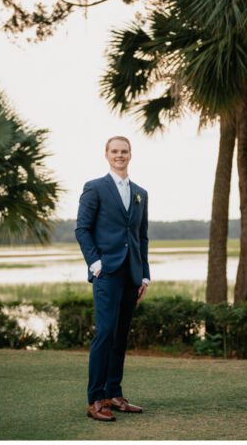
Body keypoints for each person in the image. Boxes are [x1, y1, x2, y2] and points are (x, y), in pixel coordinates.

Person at [75, 136, 150, 422]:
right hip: (106, 273)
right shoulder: (94, 188)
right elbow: (82, 229)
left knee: (120, 337)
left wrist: (144, 275)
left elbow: (141, 237)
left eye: (125, 151)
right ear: (106, 154)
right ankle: (95, 399)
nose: (120, 155)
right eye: (115, 151)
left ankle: (114, 394)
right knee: (105, 334)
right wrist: (96, 264)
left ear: (131, 154)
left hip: (132, 275)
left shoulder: (141, 192)